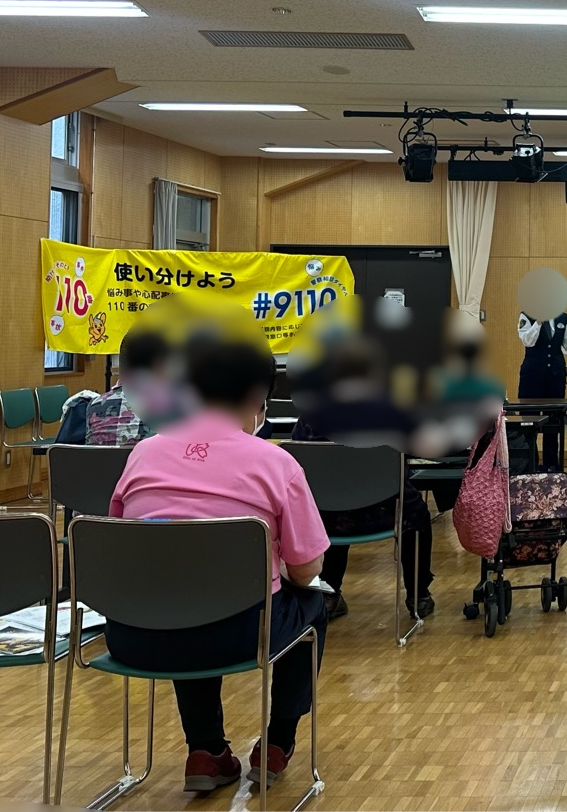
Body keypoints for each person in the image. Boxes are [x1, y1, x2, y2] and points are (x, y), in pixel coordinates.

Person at [105, 330, 330, 793]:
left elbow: (119, 544)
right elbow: (308, 570)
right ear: (257, 396)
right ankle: (277, 742)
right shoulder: (277, 463)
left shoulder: (142, 454)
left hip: (134, 635)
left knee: (180, 594)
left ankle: (205, 751)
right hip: (240, 636)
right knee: (312, 608)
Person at [288, 417, 434, 621]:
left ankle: (329, 594)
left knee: (332, 504)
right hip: (387, 513)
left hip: (328, 519)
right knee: (416, 514)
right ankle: (419, 595)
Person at [517, 310, 567, 470]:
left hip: (555, 375)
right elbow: (527, 341)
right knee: (528, 420)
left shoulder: (563, 317)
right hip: (532, 376)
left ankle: (551, 464)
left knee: (554, 418)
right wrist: (538, 322)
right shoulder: (527, 315)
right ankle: (530, 464)